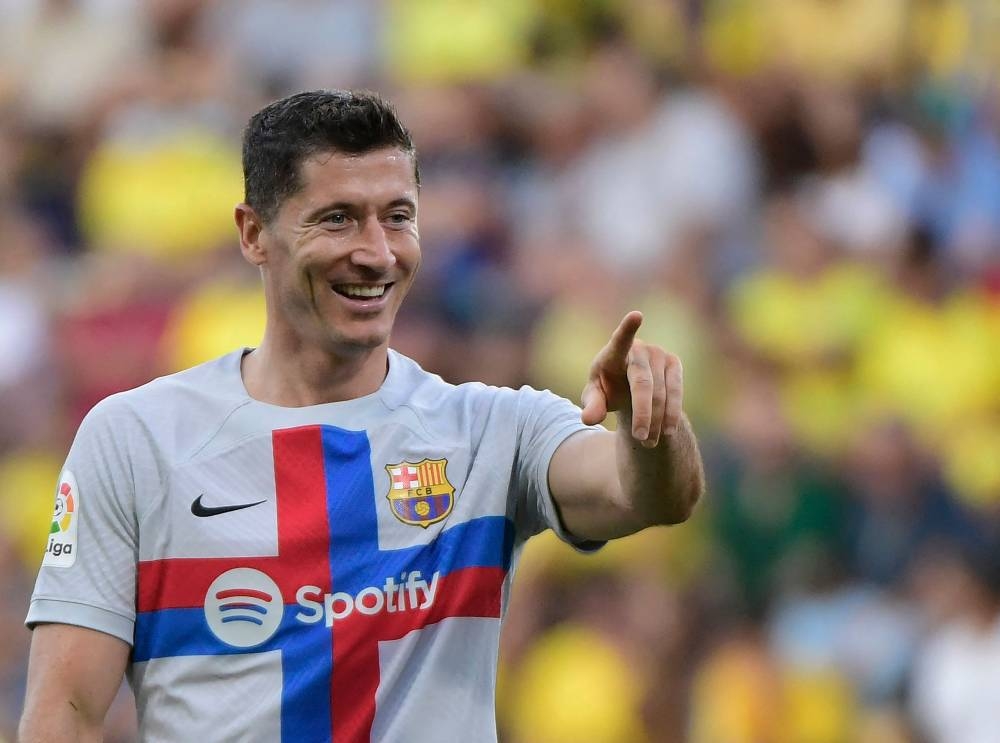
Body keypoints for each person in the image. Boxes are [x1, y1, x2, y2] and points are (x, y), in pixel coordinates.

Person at [18, 90, 704, 742]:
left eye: (398, 216)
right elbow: (65, 711)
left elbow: (649, 493)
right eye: (338, 218)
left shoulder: (491, 433)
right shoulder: (134, 440)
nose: (377, 253)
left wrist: (652, 427)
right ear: (254, 233)